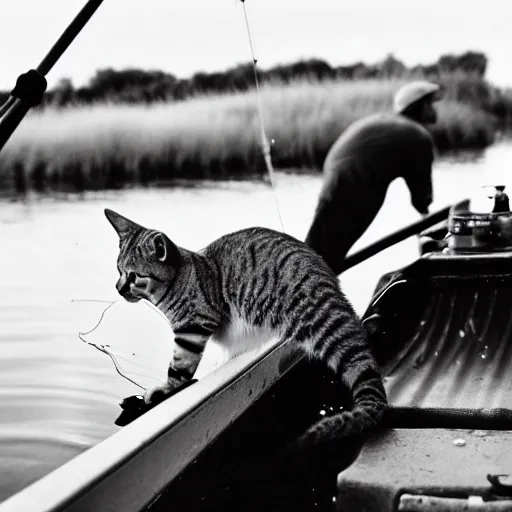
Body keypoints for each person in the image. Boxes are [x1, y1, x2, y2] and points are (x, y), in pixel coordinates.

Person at [304, 80, 443, 276]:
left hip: (337, 175)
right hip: (356, 182)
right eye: (430, 104)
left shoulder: (386, 121)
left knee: (321, 248)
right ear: (418, 107)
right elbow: (421, 198)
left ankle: (304, 289)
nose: (434, 109)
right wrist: (431, 228)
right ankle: (304, 294)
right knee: (325, 258)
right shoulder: (418, 136)